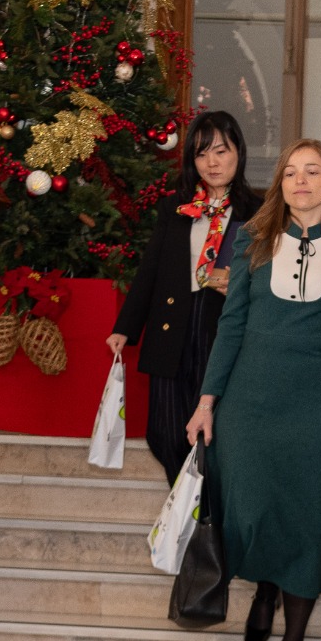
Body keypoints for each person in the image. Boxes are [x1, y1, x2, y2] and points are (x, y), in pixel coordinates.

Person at [186, 139, 321, 641]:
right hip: (250, 401)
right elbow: (231, 326)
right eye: (290, 173)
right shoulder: (252, 240)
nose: (300, 181)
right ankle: (265, 588)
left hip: (319, 407)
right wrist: (207, 401)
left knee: (307, 521)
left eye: (312, 171)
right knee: (254, 510)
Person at [108, 111, 261, 486]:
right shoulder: (174, 208)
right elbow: (150, 269)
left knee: (213, 429)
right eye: (201, 153)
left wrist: (243, 284)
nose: (212, 162)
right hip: (171, 326)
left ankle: (206, 507)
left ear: (238, 152)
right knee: (164, 431)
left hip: (222, 329)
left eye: (221, 151)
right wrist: (125, 327)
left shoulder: (258, 212)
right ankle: (185, 499)